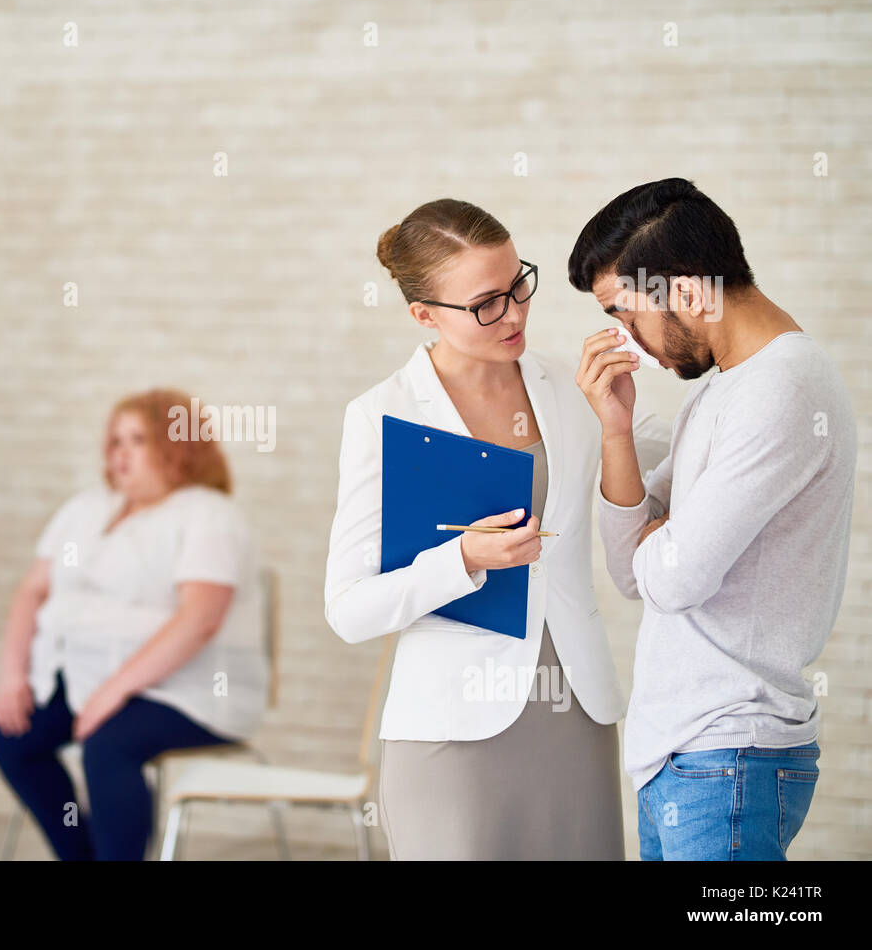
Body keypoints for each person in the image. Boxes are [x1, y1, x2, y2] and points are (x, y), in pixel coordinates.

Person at [324, 198, 670, 859]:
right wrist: (461, 557)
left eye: (518, 285)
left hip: (575, 713)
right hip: (454, 736)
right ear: (423, 315)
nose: (513, 313)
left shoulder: (567, 387)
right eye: (486, 302)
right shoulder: (383, 416)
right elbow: (348, 609)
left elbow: (678, 451)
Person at [570, 177, 856, 860]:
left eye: (626, 313)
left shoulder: (780, 389)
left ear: (691, 291)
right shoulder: (728, 387)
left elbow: (675, 578)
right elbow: (633, 571)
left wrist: (659, 539)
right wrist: (615, 432)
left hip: (729, 755)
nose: (627, 342)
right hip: (686, 753)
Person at [0, 388, 268, 860]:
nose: (121, 453)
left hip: (189, 691)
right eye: (115, 440)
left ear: (179, 447)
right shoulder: (85, 508)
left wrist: (114, 690)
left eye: (138, 439)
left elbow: (200, 619)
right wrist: (12, 676)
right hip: (84, 679)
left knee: (109, 744)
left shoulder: (209, 515)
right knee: (10, 733)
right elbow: (31, 592)